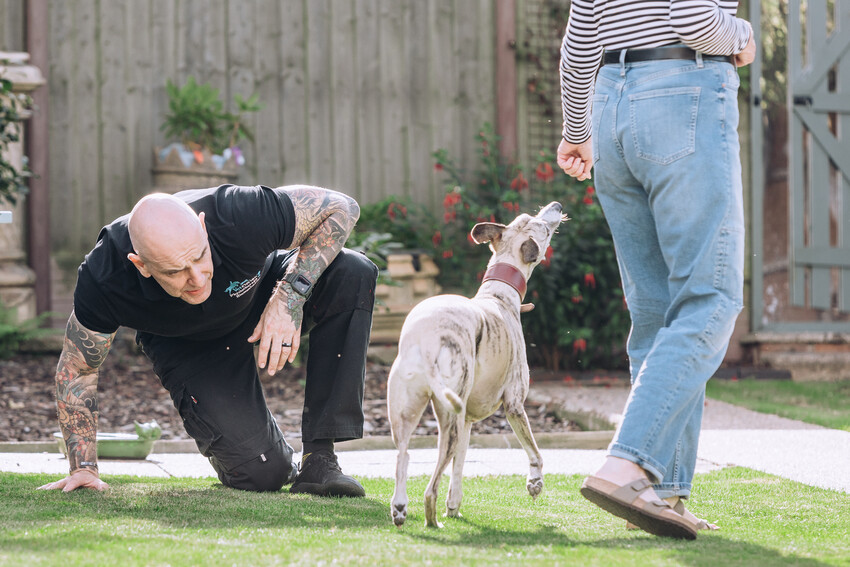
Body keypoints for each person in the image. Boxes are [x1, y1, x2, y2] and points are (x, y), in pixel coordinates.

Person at [556, 1, 756, 539]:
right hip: (681, 96)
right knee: (710, 298)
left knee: (657, 314)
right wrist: (741, 34)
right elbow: (694, 19)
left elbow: (579, 46)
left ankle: (660, 491)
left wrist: (579, 130)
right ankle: (627, 465)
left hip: (611, 108)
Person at [37, 184, 378, 497]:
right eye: (175, 271)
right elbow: (78, 371)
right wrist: (83, 467)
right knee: (263, 475)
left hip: (262, 296)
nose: (197, 279)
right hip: (188, 344)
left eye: (200, 257)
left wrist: (288, 296)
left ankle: (320, 459)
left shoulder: (237, 214)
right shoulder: (104, 277)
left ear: (202, 227)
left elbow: (342, 207)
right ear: (141, 265)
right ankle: (270, 455)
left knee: (352, 271)